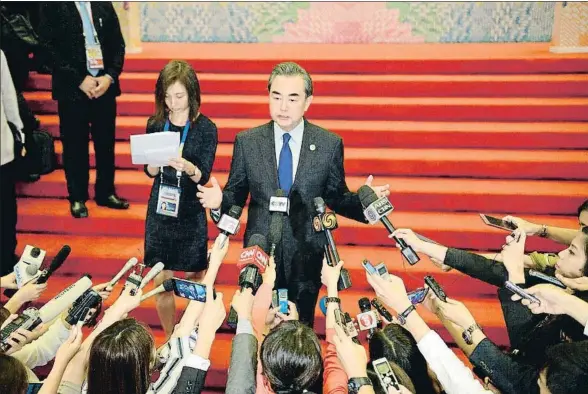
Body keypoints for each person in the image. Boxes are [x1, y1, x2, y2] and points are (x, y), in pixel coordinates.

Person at [197, 61, 389, 325]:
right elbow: (235, 196)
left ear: (307, 102)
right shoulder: (248, 142)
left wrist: (366, 202)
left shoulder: (328, 144)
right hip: (260, 252)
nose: (283, 106)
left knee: (301, 330)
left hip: (306, 252)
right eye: (276, 97)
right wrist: (219, 203)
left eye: (292, 98)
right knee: (260, 327)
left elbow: (336, 196)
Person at [143, 60, 218, 337]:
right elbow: (149, 171)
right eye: (167, 96)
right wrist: (154, 163)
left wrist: (189, 167)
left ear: (192, 95)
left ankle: (192, 332)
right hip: (161, 212)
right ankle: (169, 334)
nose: (173, 103)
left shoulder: (205, 128)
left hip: (190, 210)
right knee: (160, 278)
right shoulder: (156, 124)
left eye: (179, 96)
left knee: (196, 277)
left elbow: (203, 175)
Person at [38, 2, 129, 218]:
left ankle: (106, 192)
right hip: (72, 89)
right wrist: (79, 79)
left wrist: (109, 77)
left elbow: (117, 45)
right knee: (74, 144)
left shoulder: (103, 4)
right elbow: (47, 48)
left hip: (103, 87)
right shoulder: (54, 6)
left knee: (105, 143)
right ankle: (78, 197)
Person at [1, 49, 25, 276]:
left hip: (2, 150)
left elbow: (8, 97)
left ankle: (7, 262)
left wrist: (19, 132)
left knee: (6, 210)